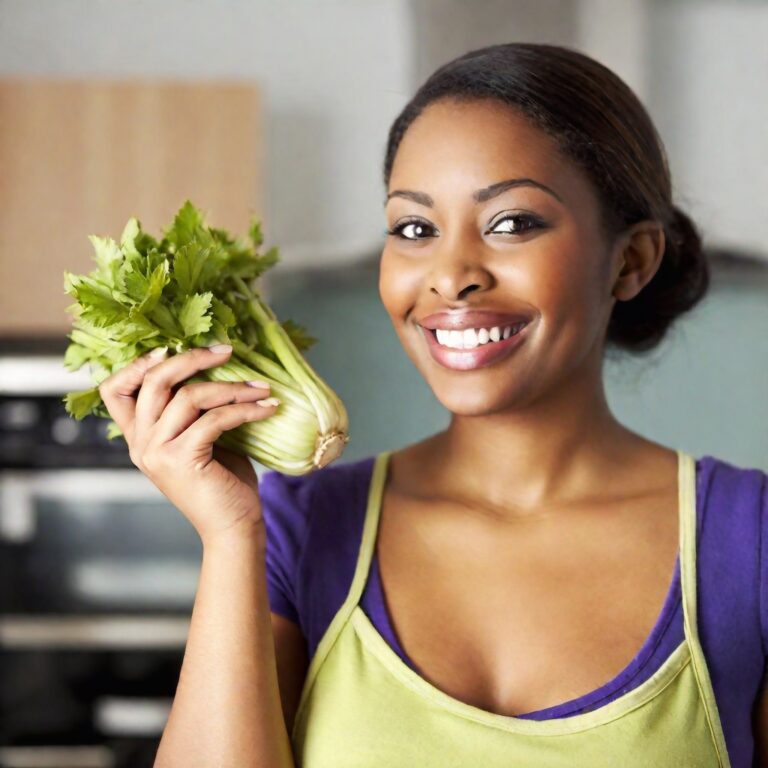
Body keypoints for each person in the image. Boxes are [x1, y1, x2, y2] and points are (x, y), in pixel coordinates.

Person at [98, 43, 768, 767]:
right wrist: (229, 537)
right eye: (415, 228)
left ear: (630, 260)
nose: (450, 276)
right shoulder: (298, 530)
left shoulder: (748, 541)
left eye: (511, 223)